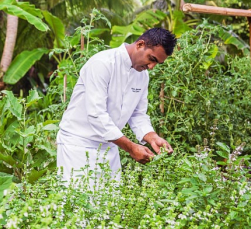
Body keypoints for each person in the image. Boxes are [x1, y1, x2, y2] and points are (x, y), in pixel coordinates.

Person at [57, 28, 176, 181]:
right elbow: (96, 114)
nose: (152, 66)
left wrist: (152, 137)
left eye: (157, 63)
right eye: (151, 59)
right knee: (79, 202)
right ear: (140, 44)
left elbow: (138, 115)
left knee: (110, 204)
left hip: (110, 147)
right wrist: (131, 148)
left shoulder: (142, 76)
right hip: (78, 146)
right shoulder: (103, 63)